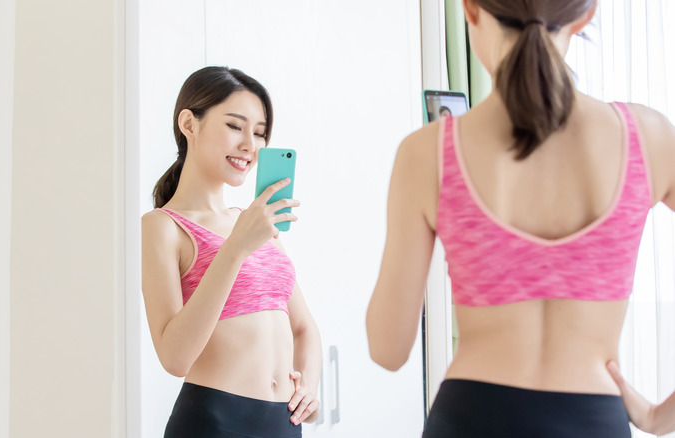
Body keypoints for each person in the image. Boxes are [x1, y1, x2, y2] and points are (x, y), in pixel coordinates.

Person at [366, 0, 675, 436]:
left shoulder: (427, 153)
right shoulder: (650, 138)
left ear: (470, 9)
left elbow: (388, 348)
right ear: (584, 15)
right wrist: (661, 417)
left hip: (470, 418)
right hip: (593, 422)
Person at [141, 66, 321, 438]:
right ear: (189, 124)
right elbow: (174, 358)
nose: (250, 145)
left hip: (283, 425)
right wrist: (235, 247)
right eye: (235, 126)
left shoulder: (255, 222)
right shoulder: (164, 226)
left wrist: (309, 387)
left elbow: (304, 328)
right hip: (214, 422)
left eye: (259, 133)